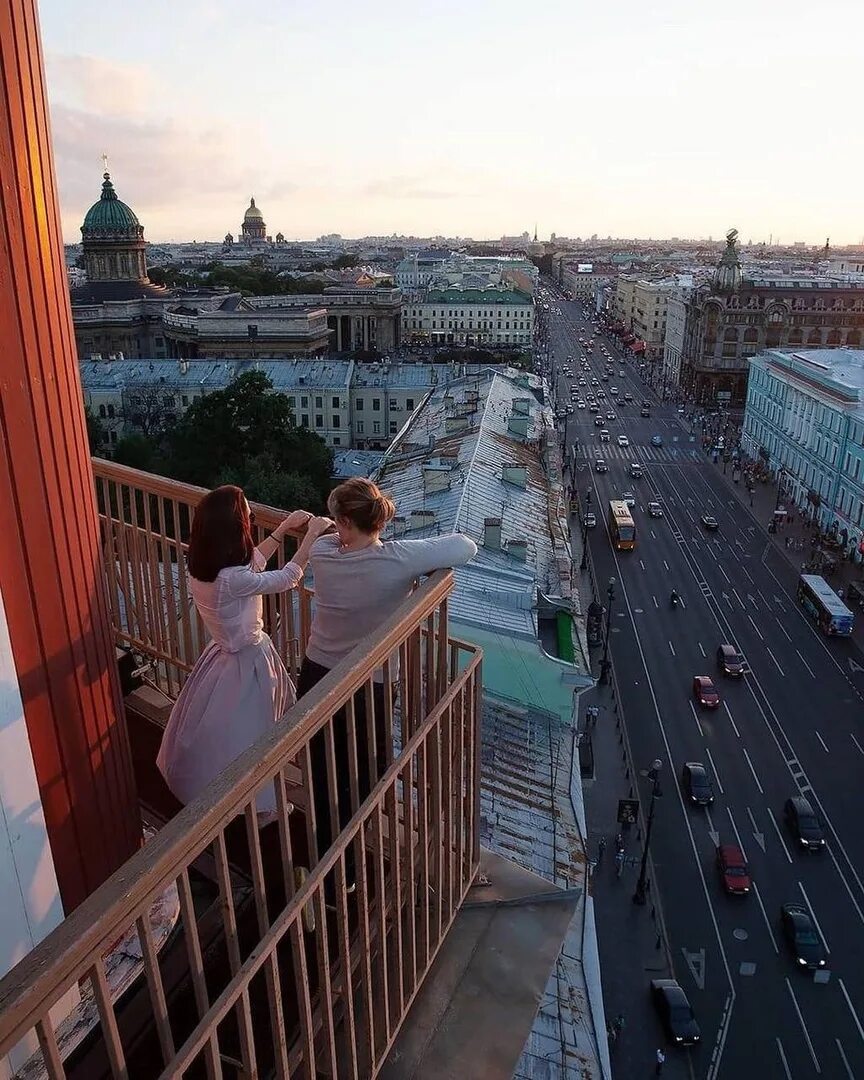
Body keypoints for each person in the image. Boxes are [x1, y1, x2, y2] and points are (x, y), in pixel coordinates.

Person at [299, 477, 478, 865]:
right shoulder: (400, 559)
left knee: (320, 765)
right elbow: (466, 546)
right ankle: (350, 854)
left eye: (335, 518)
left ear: (344, 522)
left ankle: (319, 849)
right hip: (371, 682)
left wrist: (323, 527)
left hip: (317, 674)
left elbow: (329, 538)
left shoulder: (322, 553)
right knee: (366, 770)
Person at [157, 485, 332, 818]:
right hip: (249, 660)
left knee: (231, 733)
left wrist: (281, 529)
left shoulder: (205, 568)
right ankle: (262, 800)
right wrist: (311, 534)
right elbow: (288, 577)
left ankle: (235, 789)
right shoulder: (232, 579)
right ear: (234, 528)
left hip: (223, 657)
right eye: (248, 515)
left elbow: (253, 566)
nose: (252, 517)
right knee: (260, 731)